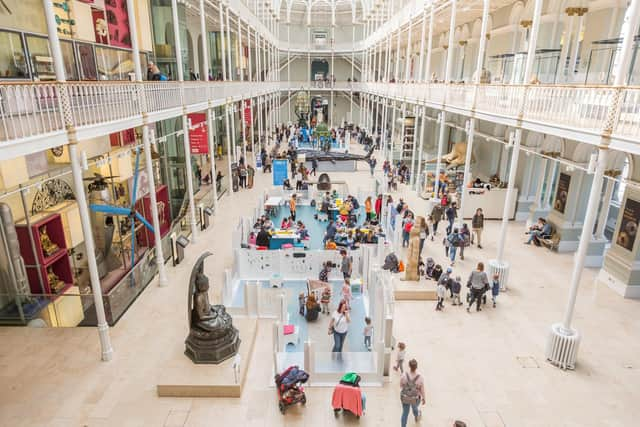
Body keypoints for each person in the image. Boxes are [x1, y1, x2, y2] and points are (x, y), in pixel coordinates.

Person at [399, 359, 425, 427]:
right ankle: (417, 415)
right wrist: (424, 398)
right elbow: (422, 389)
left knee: (405, 413)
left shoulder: (404, 375)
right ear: (416, 367)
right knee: (415, 407)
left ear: (409, 366)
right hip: (415, 398)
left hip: (405, 397)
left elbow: (401, 386)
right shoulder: (420, 378)